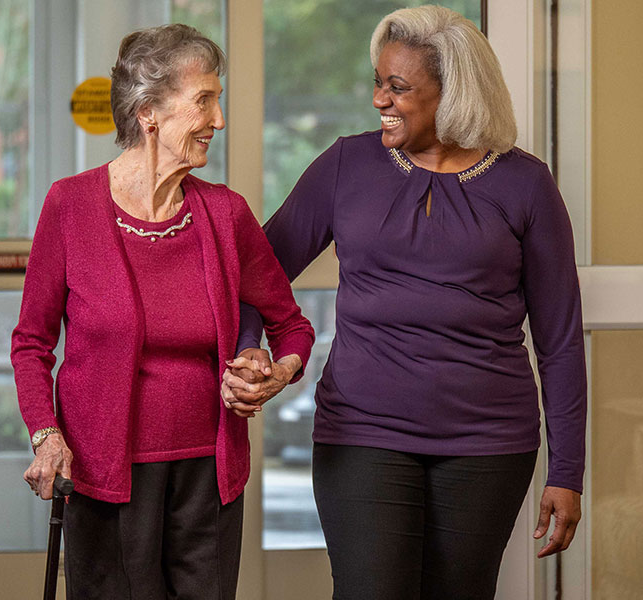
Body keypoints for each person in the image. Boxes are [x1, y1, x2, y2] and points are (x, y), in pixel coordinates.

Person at [223, 6, 587, 599]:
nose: (378, 100)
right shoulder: (347, 164)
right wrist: (249, 349)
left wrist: (567, 470)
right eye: (377, 81)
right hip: (362, 432)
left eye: (398, 87)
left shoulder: (526, 185)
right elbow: (256, 275)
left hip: (488, 444)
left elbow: (561, 340)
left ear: (454, 93)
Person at [11, 24, 314, 599]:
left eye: (218, 101)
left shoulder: (226, 214)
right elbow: (31, 342)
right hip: (104, 475)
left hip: (209, 476)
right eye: (204, 100)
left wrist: (276, 371)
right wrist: (45, 434)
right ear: (149, 111)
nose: (218, 120)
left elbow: (291, 324)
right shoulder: (70, 206)